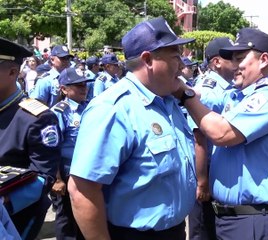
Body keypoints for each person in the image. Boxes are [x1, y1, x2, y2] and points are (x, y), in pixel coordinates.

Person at [67, 17, 197, 240]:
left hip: (173, 232)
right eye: (176, 57)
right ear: (148, 59)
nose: (183, 66)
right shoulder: (113, 109)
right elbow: (82, 190)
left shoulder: (168, 101)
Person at [177, 27, 268, 239]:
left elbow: (221, 134)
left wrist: (184, 96)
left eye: (240, 58)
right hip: (230, 219)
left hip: (254, 222)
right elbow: (202, 94)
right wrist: (177, 85)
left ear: (263, 60)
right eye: (232, 59)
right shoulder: (236, 95)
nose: (234, 65)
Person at [0, 37, 60, 239]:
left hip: (16, 215)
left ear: (12, 72)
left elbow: (44, 177)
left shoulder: (37, 117)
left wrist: (5, 200)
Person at [187, 37, 235, 240]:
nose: (237, 61)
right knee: (202, 230)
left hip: (216, 170)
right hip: (205, 169)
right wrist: (202, 181)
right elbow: (200, 138)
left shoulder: (225, 87)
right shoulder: (209, 91)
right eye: (232, 57)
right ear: (217, 62)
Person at [50, 67, 92, 240]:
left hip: (85, 170)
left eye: (84, 84)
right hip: (66, 172)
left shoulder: (88, 107)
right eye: (77, 85)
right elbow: (51, 149)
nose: (84, 88)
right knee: (66, 217)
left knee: (84, 214)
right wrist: (57, 179)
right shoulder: (59, 112)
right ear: (64, 89)